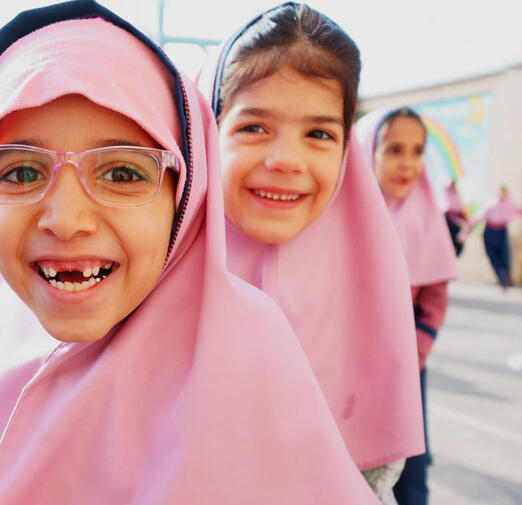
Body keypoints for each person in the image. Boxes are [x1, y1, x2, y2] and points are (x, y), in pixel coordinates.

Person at [0, 2, 381, 503]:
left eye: (123, 174)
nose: (66, 220)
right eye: (21, 172)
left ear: (184, 195)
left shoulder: (253, 358)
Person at [198, 3, 423, 501]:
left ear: (347, 154)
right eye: (253, 127)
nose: (286, 160)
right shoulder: (147, 286)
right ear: (207, 133)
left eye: (319, 134)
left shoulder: (370, 308)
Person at [356, 107, 459, 505]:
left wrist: (414, 352)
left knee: (411, 467)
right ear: (368, 151)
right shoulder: (341, 218)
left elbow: (434, 295)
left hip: (406, 365)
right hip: (343, 363)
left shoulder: (427, 217)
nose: (407, 163)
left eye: (417, 151)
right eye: (394, 149)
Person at [475, 185, 522, 289]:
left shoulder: (509, 204)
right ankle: (501, 279)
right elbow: (479, 216)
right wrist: (466, 230)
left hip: (501, 231)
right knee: (493, 257)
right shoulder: (491, 203)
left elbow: (518, 210)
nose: (503, 195)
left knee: (505, 257)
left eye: (504, 192)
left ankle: (506, 277)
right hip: (490, 232)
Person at [443, 180, 467, 255]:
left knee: (458, 242)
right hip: (447, 219)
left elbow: (462, 209)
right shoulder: (446, 193)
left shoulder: (458, 195)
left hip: (456, 222)